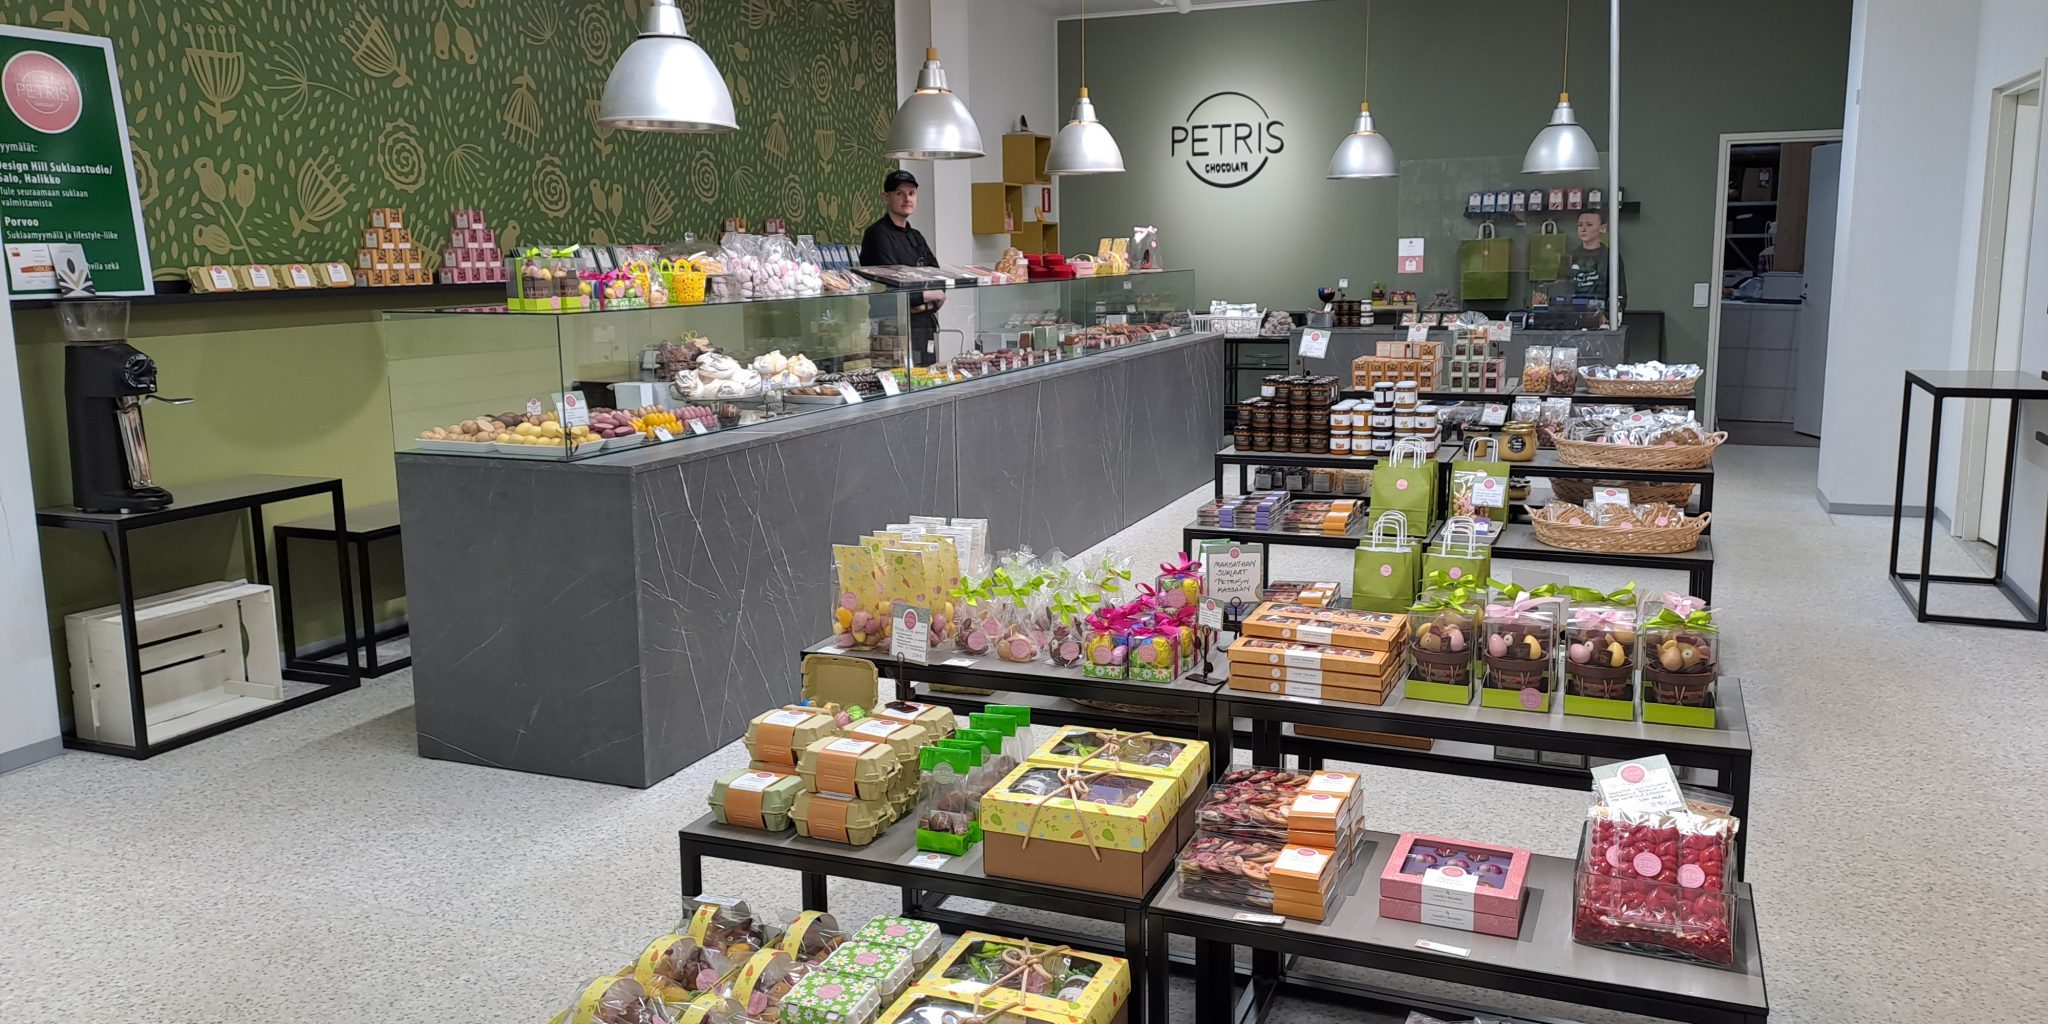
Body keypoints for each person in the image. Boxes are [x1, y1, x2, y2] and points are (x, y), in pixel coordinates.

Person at [859, 170, 946, 366]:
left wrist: (922, 302)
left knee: (926, 382)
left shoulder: (915, 236)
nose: (907, 198)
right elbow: (890, 285)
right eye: (900, 193)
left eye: (912, 193)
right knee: (898, 385)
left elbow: (938, 279)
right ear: (886, 197)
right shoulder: (877, 235)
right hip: (891, 329)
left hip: (923, 327)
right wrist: (926, 297)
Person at [1562, 209, 1625, 318]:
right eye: (1580, 225)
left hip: (1603, 317)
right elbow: (1561, 291)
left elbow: (1620, 292)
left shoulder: (1611, 256)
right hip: (1573, 316)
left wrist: (1610, 316)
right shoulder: (1568, 257)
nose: (1583, 229)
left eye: (1589, 225)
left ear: (1603, 228)